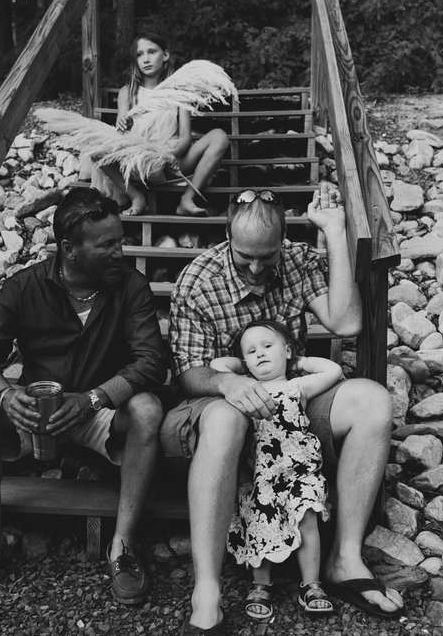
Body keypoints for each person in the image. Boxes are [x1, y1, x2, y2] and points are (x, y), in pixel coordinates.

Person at [163, 184, 404, 634]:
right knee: (226, 415)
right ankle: (208, 586)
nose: (256, 268)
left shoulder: (294, 260)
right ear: (227, 237)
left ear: (283, 242)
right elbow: (188, 375)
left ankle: (344, 559)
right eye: (244, 257)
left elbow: (347, 321)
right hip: (213, 413)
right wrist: (227, 382)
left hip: (289, 415)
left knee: (371, 398)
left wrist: (333, 230)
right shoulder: (199, 279)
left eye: (266, 257)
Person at [0, 187, 169, 606]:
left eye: (120, 240)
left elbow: (151, 361)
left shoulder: (131, 286)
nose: (120, 252)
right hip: (36, 414)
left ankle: (124, 549)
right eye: (107, 245)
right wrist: (5, 397)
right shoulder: (25, 287)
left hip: (100, 412)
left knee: (148, 409)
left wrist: (95, 398)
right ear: (69, 249)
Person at [210, 320, 341, 619]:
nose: (261, 354)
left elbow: (334, 371)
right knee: (259, 521)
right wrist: (241, 368)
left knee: (307, 516)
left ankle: (311, 584)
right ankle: (261, 585)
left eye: (268, 346)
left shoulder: (296, 385)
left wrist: (301, 361)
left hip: (298, 473)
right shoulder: (247, 390)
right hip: (261, 477)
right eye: (252, 351)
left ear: (287, 350)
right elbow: (217, 365)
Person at [85, 33, 230, 217]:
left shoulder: (177, 92)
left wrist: (170, 155)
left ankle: (187, 199)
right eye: (139, 54)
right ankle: (136, 197)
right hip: (139, 162)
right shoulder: (128, 93)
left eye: (152, 52)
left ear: (166, 56)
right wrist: (125, 124)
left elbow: (185, 138)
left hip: (171, 161)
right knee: (96, 148)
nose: (145, 59)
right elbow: (119, 136)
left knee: (219, 136)